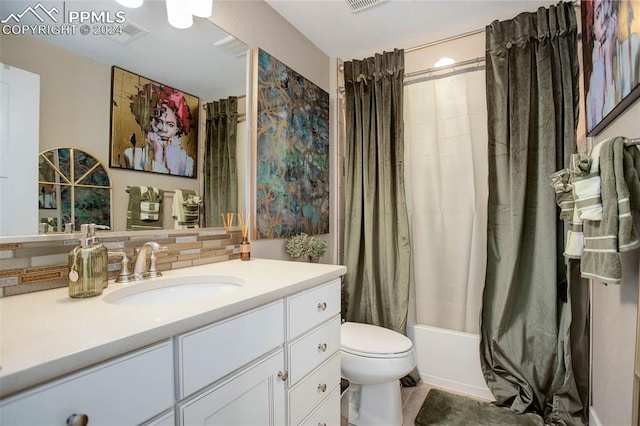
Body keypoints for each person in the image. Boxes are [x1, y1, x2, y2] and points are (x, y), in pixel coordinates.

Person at [124, 84, 195, 177]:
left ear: (178, 128)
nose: (163, 129)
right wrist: (158, 152)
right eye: (158, 121)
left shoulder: (188, 162)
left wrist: (169, 154)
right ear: (149, 121)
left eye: (170, 124)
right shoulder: (132, 155)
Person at [586, 0, 618, 130]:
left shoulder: (627, 47)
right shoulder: (592, 92)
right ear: (594, 29)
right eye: (599, 13)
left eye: (607, 6)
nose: (605, 16)